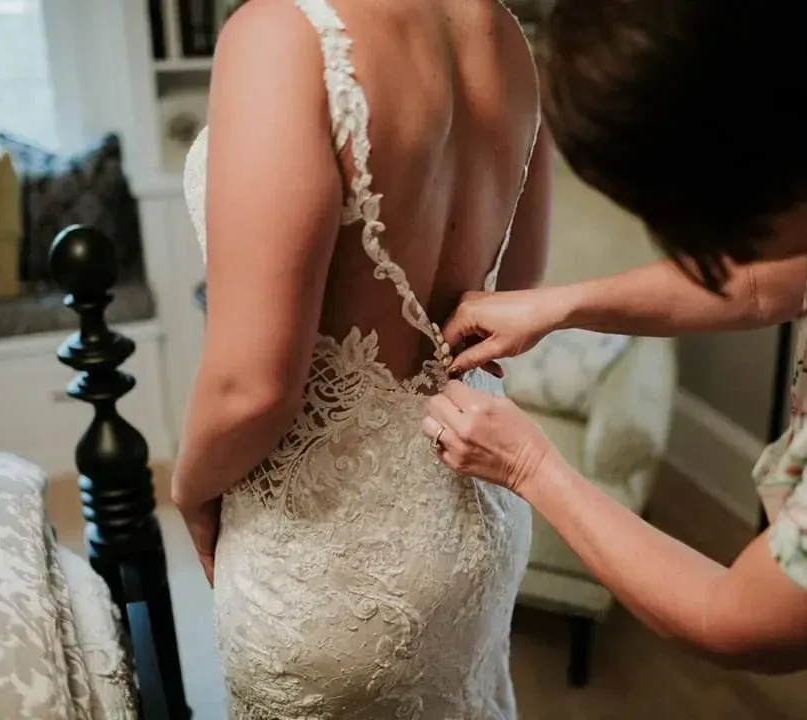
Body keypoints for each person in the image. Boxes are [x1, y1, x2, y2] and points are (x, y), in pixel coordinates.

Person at [423, 1, 807, 717]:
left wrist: (533, 468)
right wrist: (557, 305)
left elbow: (735, 617)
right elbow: (765, 280)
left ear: (758, 179)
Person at [171, 0, 549, 717]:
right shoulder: (506, 36)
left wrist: (189, 491)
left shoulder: (279, 34)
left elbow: (251, 389)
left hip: (331, 564)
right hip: (474, 523)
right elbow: (515, 296)